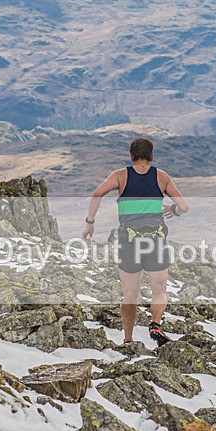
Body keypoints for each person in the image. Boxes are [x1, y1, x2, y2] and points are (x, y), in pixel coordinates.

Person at [82, 138, 189, 346]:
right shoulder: (161, 177)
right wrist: (173, 210)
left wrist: (90, 223)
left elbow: (96, 194)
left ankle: (128, 340)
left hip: (128, 243)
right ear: (151, 156)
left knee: (130, 294)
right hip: (155, 241)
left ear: (131, 156)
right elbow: (184, 207)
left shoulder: (120, 176)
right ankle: (155, 325)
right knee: (159, 290)